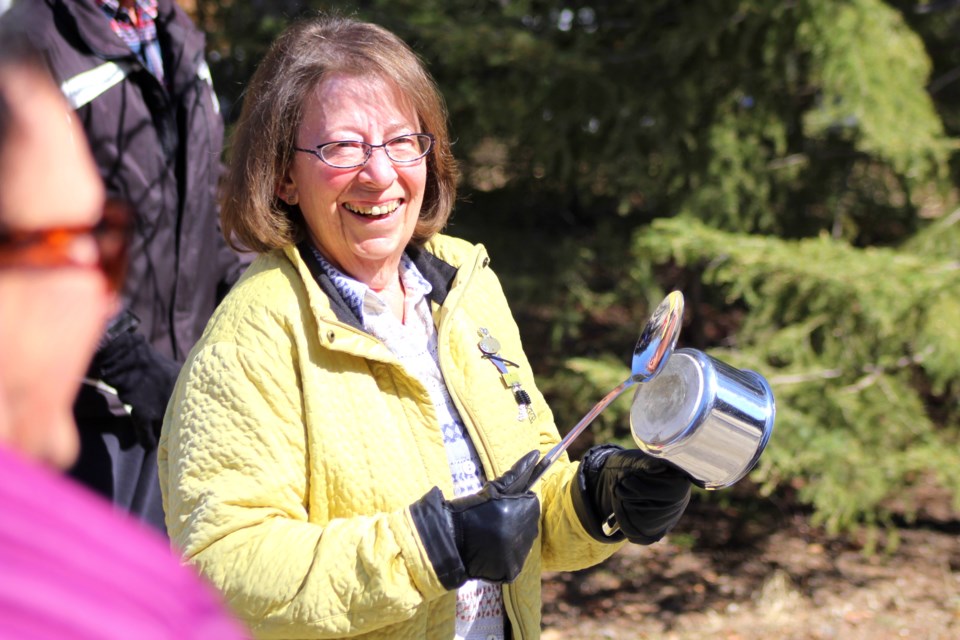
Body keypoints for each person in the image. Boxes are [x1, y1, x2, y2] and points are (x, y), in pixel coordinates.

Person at [159, 15, 693, 640]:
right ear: (283, 175)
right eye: (342, 147)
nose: (379, 174)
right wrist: (431, 549)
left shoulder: (465, 288)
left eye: (401, 141)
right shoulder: (253, 339)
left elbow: (522, 502)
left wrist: (597, 501)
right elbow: (220, 567)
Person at [0, 41, 248, 640]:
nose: (93, 288)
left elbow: (209, 201)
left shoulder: (179, 37)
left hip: (173, 393)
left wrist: (254, 304)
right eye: (86, 245)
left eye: (108, 240)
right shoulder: (33, 40)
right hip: (101, 407)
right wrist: (125, 355)